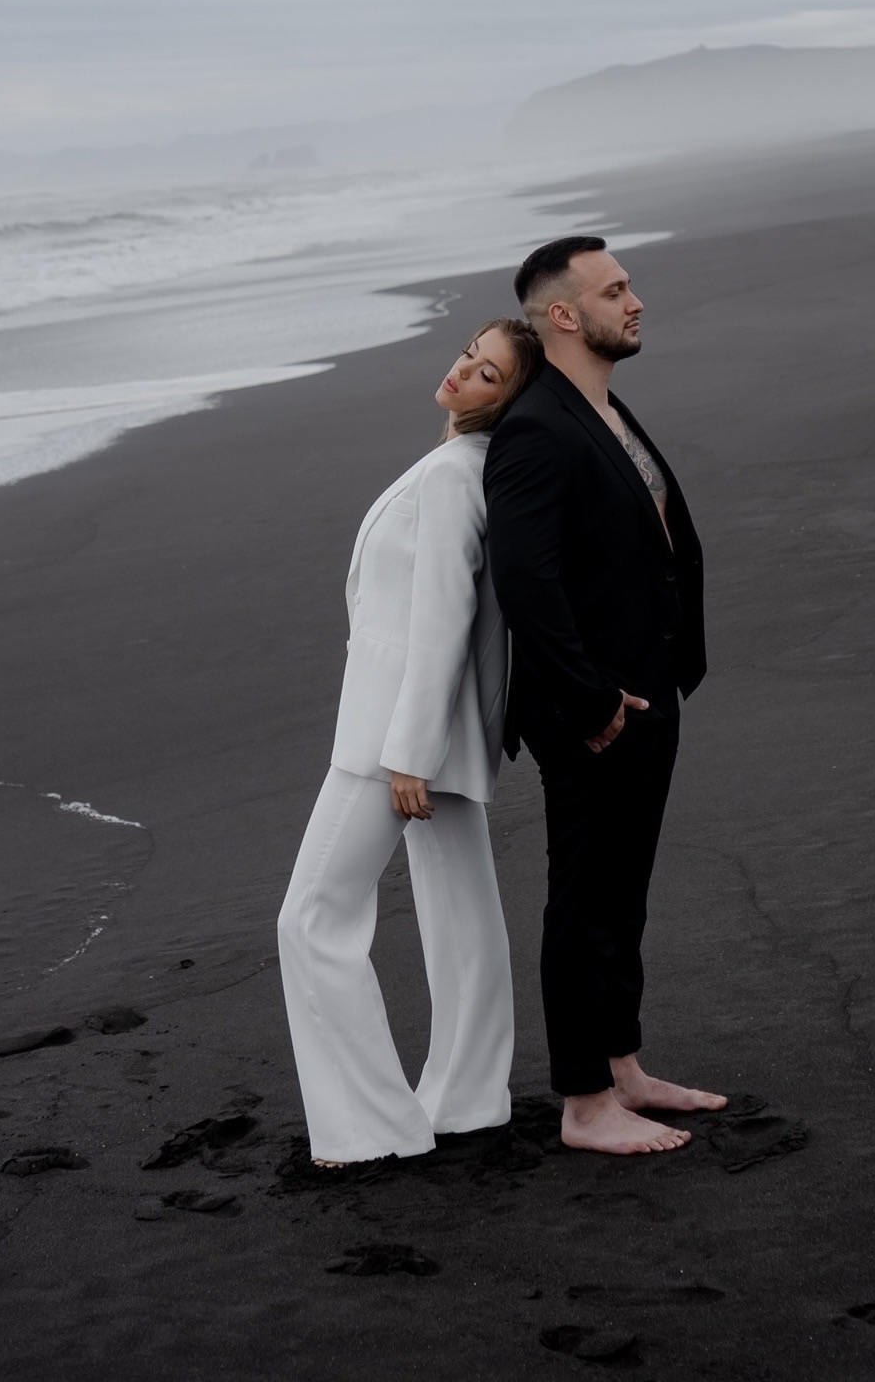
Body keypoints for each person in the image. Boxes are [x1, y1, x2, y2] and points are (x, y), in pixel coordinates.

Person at [277, 318, 541, 1168]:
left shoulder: (456, 477)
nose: (463, 371)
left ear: (511, 400)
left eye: (489, 374)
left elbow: (443, 623)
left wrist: (409, 754)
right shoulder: (468, 468)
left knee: (311, 918)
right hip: (432, 730)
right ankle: (467, 1099)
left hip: (395, 735)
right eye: (470, 354)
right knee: (460, 911)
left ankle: (370, 1127)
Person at [484, 237, 727, 1156]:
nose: (635, 301)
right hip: (593, 715)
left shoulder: (602, 407)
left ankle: (622, 1066)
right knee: (582, 901)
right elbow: (526, 581)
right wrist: (592, 701)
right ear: (561, 314)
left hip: (646, 692)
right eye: (614, 289)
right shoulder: (537, 429)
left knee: (623, 897)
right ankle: (583, 1102)